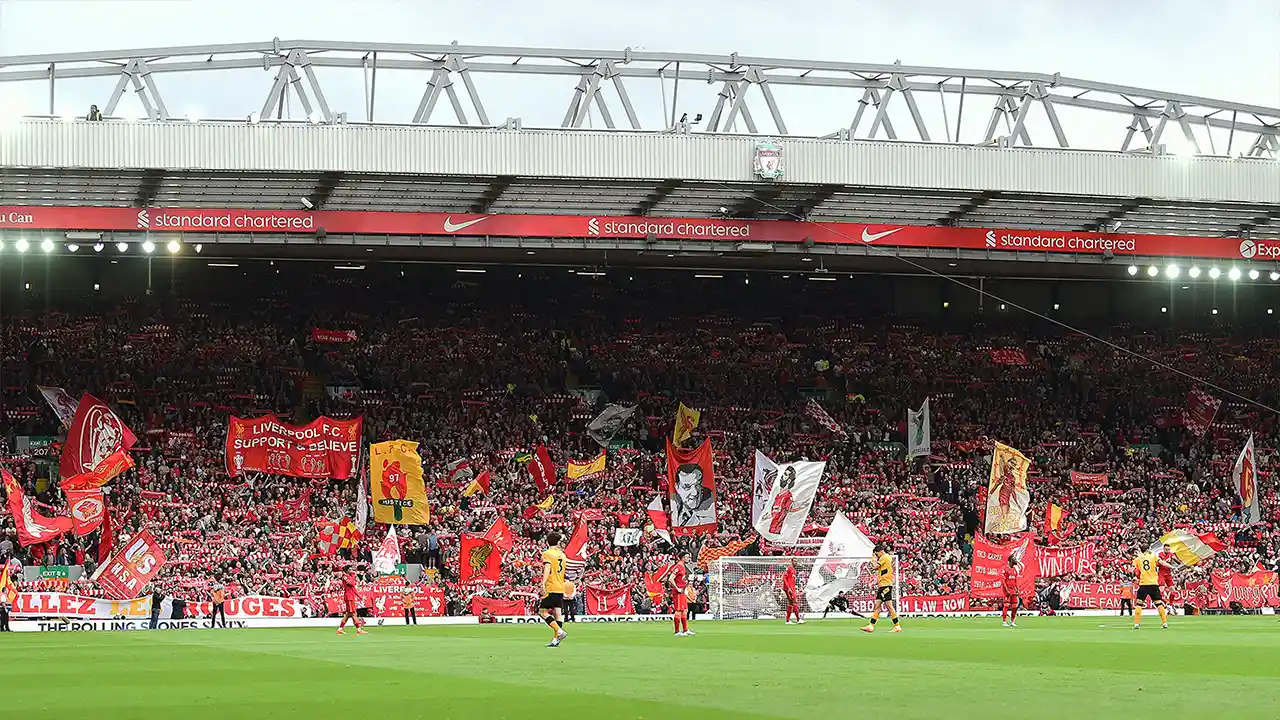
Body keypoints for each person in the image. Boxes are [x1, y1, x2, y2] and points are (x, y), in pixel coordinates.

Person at [861, 545, 901, 633]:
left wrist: (873, 559)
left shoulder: (884, 557)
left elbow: (875, 566)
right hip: (883, 585)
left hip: (885, 585)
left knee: (889, 606)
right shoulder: (886, 558)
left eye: (877, 554)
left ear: (881, 552)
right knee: (877, 606)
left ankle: (897, 626)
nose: (877, 556)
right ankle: (870, 626)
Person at [538, 531, 569, 647]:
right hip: (560, 587)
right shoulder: (562, 555)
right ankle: (556, 640)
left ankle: (560, 632)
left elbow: (547, 568)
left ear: (547, 541)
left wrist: (542, 583)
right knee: (558, 613)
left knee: (542, 612)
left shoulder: (547, 553)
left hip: (551, 586)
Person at [1133, 545, 1172, 630]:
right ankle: (1164, 623)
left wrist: (1136, 576)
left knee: (1139, 604)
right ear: (1148, 549)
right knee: (1159, 603)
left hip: (1143, 584)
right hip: (1153, 583)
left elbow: (1134, 570)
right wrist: (1171, 566)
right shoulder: (1153, 556)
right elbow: (1162, 563)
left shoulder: (1138, 558)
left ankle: (1136, 624)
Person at [670, 552, 695, 637]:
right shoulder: (678, 567)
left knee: (684, 610)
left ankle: (685, 630)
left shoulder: (683, 566)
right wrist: (677, 588)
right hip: (678, 592)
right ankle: (677, 631)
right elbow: (671, 579)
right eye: (687, 557)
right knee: (679, 610)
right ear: (682, 558)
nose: (688, 558)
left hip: (682, 591)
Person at [336, 567, 368, 635]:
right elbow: (352, 584)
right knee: (353, 613)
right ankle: (359, 630)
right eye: (350, 569)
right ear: (347, 570)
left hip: (351, 597)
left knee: (348, 614)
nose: (352, 571)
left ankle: (340, 629)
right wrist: (353, 575)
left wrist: (359, 597)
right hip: (348, 597)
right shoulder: (345, 577)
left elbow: (353, 588)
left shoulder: (349, 577)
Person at [1000, 554, 1020, 627]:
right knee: (1006, 606)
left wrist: (1017, 588)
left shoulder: (1014, 570)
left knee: (1015, 606)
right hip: (1007, 591)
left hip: (1013, 590)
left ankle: (1012, 621)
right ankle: (1004, 622)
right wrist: (1006, 590)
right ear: (1010, 560)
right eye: (1014, 558)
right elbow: (1003, 581)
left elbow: (1015, 580)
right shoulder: (1005, 569)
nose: (1015, 560)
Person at [781, 559, 802, 624]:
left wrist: (794, 587)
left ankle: (787, 620)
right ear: (792, 561)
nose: (796, 562)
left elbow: (791, 580)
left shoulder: (794, 570)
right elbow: (784, 578)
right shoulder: (789, 568)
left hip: (791, 588)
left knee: (790, 603)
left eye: (797, 561)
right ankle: (798, 619)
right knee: (794, 602)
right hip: (788, 588)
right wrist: (788, 588)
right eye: (795, 561)